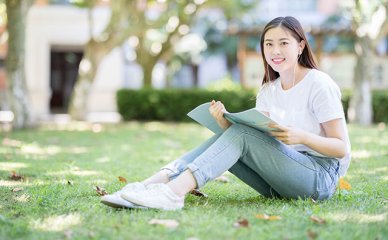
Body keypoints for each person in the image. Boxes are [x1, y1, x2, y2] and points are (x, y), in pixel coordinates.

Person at [101, 16, 351, 211]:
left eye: (284, 43)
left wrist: (302, 137)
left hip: (319, 178)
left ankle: (172, 194)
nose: (275, 51)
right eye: (269, 44)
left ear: (300, 46)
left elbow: (340, 148)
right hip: (279, 181)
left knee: (241, 134)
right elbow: (253, 141)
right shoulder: (268, 90)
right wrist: (223, 123)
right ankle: (147, 187)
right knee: (233, 134)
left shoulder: (319, 83)